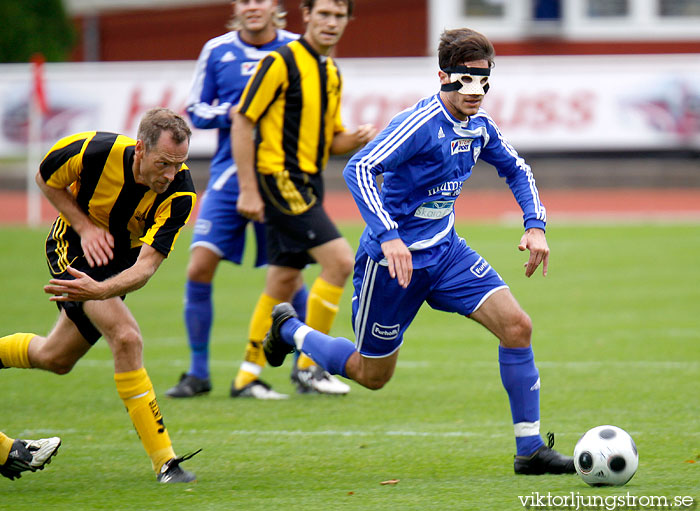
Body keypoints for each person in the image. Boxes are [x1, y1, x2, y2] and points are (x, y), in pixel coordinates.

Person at [262, 28, 576, 475]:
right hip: (391, 265)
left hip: (446, 254)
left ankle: (529, 450)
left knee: (517, 326)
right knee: (372, 376)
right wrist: (388, 235)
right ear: (443, 76)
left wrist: (535, 225)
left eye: (484, 81)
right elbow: (360, 168)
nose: (476, 91)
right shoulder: (419, 124)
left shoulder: (480, 128)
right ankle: (291, 330)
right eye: (465, 80)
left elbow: (518, 169)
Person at [0, 108, 200, 483]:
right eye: (163, 163)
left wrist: (102, 290)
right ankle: (166, 463)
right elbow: (45, 177)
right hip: (73, 249)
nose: (171, 174)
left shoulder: (181, 193)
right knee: (126, 337)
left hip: (115, 270)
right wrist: (83, 225)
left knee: (55, 357)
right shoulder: (94, 150)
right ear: (140, 149)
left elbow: (145, 268)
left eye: (179, 164)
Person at [166, 0, 309, 400]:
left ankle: (307, 367)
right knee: (198, 267)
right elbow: (195, 108)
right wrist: (239, 112)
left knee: (290, 274)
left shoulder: (297, 49)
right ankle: (198, 374)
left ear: (274, 6)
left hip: (280, 174)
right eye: (244, 0)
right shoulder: (217, 50)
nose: (252, 6)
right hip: (231, 175)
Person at [232, 0, 376, 395]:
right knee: (341, 262)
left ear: (348, 20)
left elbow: (330, 140)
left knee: (282, 280)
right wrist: (247, 188)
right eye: (324, 14)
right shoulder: (281, 61)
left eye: (339, 15)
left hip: (309, 182)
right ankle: (311, 367)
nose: (331, 23)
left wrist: (359, 140)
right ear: (306, 15)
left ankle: (247, 375)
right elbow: (243, 119)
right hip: (279, 179)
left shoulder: (331, 71)